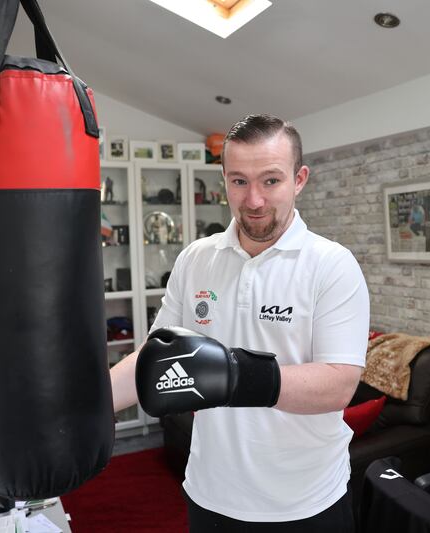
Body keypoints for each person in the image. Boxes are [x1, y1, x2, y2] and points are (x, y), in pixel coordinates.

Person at [110, 114, 370, 532]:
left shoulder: (331, 266)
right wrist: (88, 404)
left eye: (271, 181)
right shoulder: (196, 258)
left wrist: (235, 377)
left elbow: (339, 384)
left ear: (299, 179)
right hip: (211, 493)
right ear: (224, 180)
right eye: (239, 181)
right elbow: (156, 354)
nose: (253, 200)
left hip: (305, 502)